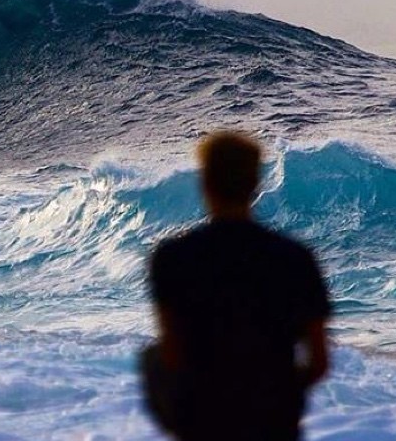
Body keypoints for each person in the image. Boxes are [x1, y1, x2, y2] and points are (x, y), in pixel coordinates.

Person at [140, 131, 330, 441]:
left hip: (205, 417)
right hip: (273, 419)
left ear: (205, 184)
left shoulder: (173, 257)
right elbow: (319, 362)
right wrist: (276, 390)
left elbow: (173, 354)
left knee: (152, 356)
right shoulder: (295, 258)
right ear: (255, 185)